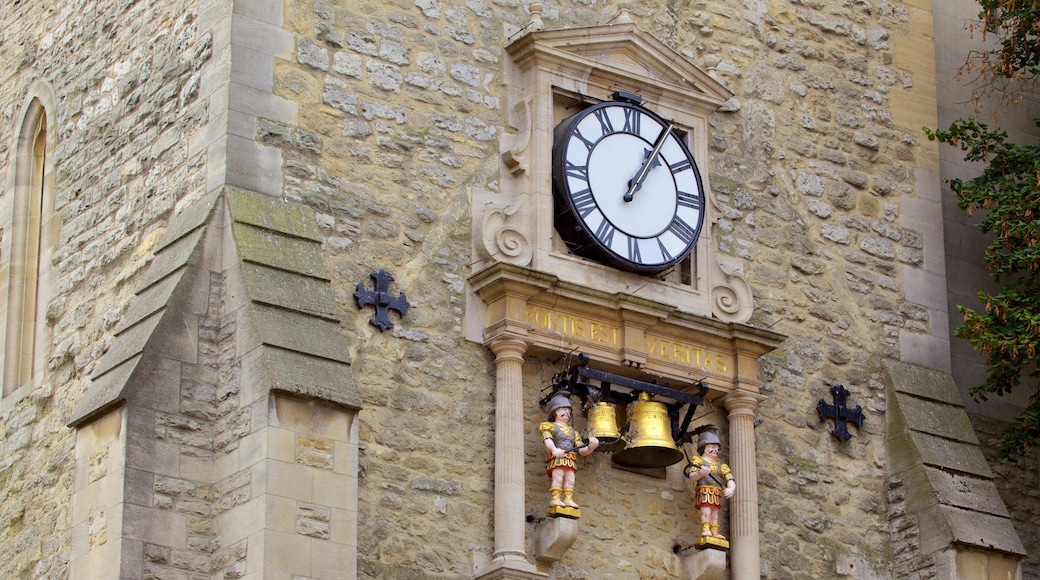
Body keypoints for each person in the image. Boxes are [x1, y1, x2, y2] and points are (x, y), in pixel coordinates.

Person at [539, 393, 599, 509]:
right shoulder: (550, 426)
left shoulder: (573, 432)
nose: (566, 412)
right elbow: (547, 439)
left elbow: (581, 450)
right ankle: (555, 498)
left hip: (570, 459)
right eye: (563, 409)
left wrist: (591, 447)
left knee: (570, 479)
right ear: (555, 412)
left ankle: (568, 499)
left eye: (568, 410)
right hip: (558, 457)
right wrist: (554, 449)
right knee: (558, 477)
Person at [684, 426, 735, 540]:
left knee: (715, 514)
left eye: (717, 448)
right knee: (706, 512)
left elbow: (730, 479)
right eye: (712, 447)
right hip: (704, 490)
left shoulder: (721, 466)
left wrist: (731, 489)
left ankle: (714, 531)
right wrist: (700, 474)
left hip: (716, 491)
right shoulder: (698, 461)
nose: (715, 450)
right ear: (704, 448)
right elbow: (692, 477)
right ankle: (706, 529)